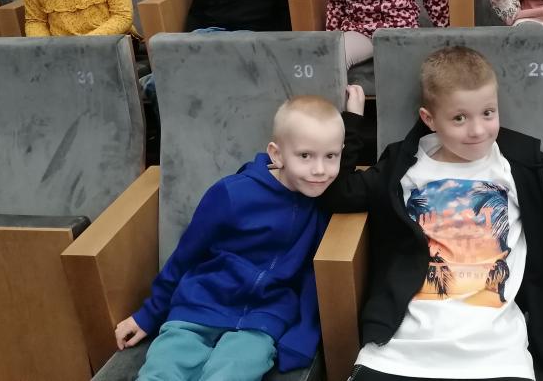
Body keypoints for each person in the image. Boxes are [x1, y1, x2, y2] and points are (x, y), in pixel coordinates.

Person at [320, 46, 543, 381]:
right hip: (399, 350)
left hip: (496, 355)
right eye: (459, 118)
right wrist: (352, 121)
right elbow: (339, 193)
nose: (478, 131)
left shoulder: (520, 165)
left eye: (488, 113)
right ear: (429, 119)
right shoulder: (403, 166)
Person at [114, 90, 365, 381]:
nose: (319, 170)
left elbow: (312, 278)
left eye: (331, 156)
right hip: (200, 303)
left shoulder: (322, 203)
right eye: (305, 156)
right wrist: (148, 315)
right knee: (162, 369)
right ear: (277, 154)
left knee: (231, 372)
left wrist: (301, 338)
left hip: (263, 320)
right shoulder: (231, 194)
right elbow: (185, 255)